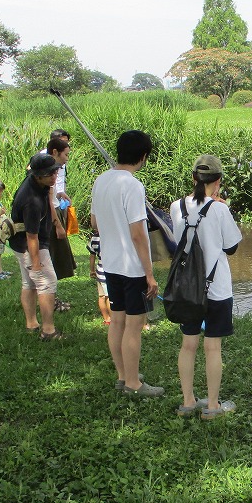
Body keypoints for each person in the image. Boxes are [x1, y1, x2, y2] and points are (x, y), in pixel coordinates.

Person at [169, 155, 243, 420]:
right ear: (218, 181)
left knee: (188, 344)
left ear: (193, 178)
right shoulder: (220, 210)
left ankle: (188, 401)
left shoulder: (176, 207)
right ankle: (212, 406)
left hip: (186, 288)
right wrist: (220, 206)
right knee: (213, 347)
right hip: (217, 288)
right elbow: (231, 247)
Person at [91, 130, 161, 396]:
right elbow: (138, 234)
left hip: (110, 264)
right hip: (132, 268)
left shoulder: (101, 180)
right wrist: (149, 274)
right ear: (143, 157)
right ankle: (133, 384)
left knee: (117, 321)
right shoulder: (132, 185)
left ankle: (123, 376)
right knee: (134, 326)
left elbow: (95, 222)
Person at [9, 153, 64, 340]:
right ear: (38, 176)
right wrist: (36, 264)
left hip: (21, 242)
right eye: (50, 174)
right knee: (47, 282)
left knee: (30, 283)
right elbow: (31, 236)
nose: (54, 176)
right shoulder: (31, 200)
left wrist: (56, 224)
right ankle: (48, 331)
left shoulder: (38, 183)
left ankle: (31, 324)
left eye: (55, 172)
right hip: (29, 245)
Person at [45, 135, 76, 307]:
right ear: (55, 152)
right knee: (53, 259)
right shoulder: (47, 172)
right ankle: (51, 300)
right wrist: (57, 225)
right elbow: (48, 201)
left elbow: (51, 195)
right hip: (52, 216)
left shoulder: (51, 171)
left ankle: (52, 298)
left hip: (55, 211)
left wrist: (60, 193)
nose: (67, 159)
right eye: (66, 154)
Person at [87, 216, 112, 326]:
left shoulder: (94, 238)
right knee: (109, 297)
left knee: (101, 296)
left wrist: (92, 270)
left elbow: (92, 256)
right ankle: (113, 319)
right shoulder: (110, 237)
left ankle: (106, 318)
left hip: (99, 271)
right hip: (107, 272)